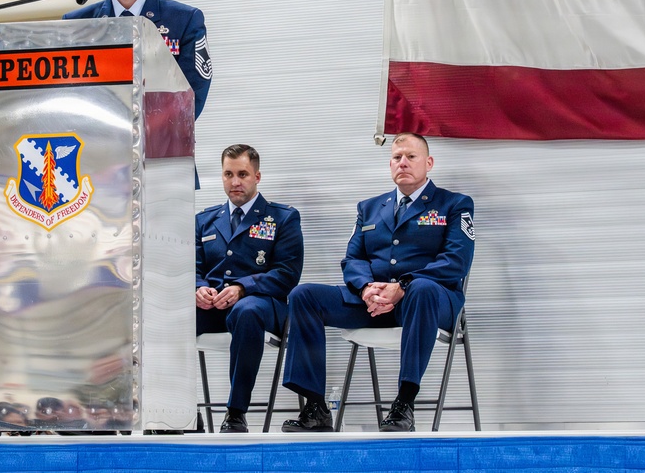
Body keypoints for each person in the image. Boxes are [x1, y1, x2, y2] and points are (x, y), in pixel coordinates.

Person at [281, 132, 474, 433]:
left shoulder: (454, 204)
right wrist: (367, 287)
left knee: (421, 289)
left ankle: (403, 405)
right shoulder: (369, 208)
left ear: (429, 162)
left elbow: (456, 262)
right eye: (397, 158)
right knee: (303, 295)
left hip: (430, 301)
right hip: (376, 302)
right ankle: (316, 407)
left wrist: (404, 286)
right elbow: (353, 259)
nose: (403, 163)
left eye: (411, 156)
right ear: (390, 164)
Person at [195, 144, 304, 433]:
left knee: (246, 311)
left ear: (257, 176)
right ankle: (180, 410)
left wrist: (243, 287)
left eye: (242, 174)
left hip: (262, 305)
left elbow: (287, 273)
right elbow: (190, 268)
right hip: (214, 305)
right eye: (228, 174)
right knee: (170, 316)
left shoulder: (282, 218)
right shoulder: (204, 220)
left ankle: (235, 412)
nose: (234, 182)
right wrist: (198, 287)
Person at [62, 0, 212, 120]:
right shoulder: (77, 23)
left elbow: (193, 93)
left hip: (160, 142)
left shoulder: (183, 19)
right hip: (96, 142)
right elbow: (68, 92)